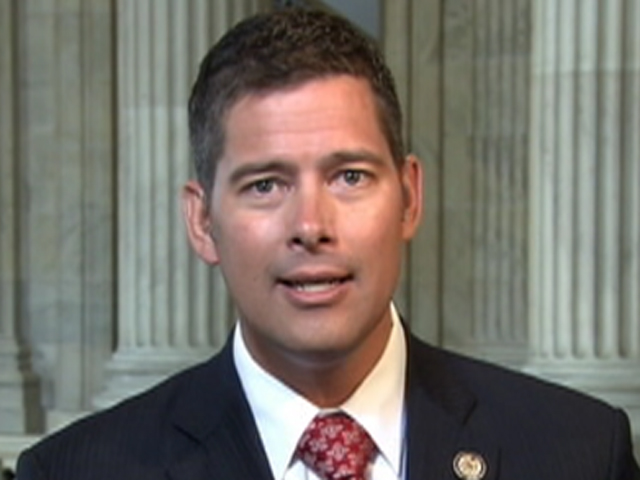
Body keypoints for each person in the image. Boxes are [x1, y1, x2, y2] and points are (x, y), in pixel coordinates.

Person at [15, 7, 640, 480]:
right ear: (202, 221)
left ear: (409, 197)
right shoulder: (75, 472)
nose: (311, 225)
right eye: (265, 185)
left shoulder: (578, 452)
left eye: (350, 176)